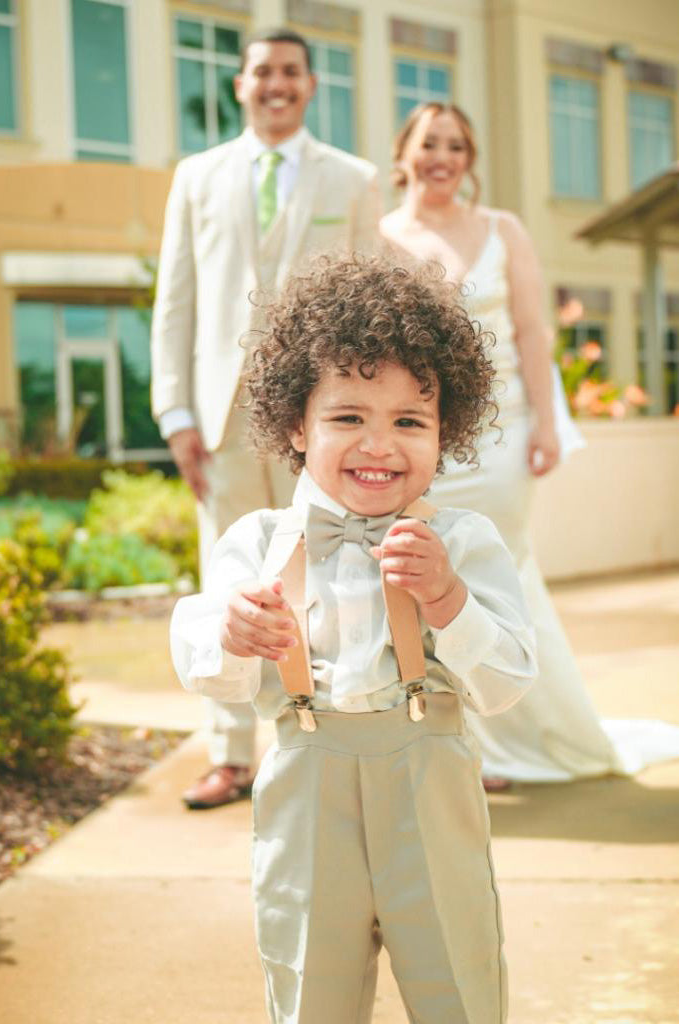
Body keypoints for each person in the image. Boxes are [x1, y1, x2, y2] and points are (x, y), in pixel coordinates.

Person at [170, 253, 537, 1022]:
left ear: (447, 433)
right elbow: (207, 660)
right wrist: (236, 634)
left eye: (409, 421)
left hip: (427, 773)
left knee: (457, 975)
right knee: (309, 981)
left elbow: (505, 684)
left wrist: (446, 597)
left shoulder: (463, 540)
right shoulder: (257, 541)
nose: (379, 445)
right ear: (296, 428)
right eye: (347, 418)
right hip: (307, 777)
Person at [380, 102, 679, 785]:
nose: (442, 157)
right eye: (430, 143)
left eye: (456, 145)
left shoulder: (501, 230)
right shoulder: (381, 235)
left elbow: (532, 333)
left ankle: (517, 734)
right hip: (423, 442)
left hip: (501, 437)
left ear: (469, 160)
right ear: (404, 153)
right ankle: (458, 739)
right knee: (421, 577)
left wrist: (546, 423)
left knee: (495, 573)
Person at [151, 28, 381, 809]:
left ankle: (315, 731)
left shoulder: (351, 180)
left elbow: (365, 309)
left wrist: (356, 421)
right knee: (226, 578)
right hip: (220, 416)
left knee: (318, 571)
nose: (275, 84)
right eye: (261, 73)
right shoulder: (197, 176)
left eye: (290, 72)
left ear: (310, 85)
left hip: (315, 419)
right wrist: (175, 411)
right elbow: (174, 299)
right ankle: (228, 755)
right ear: (240, 85)